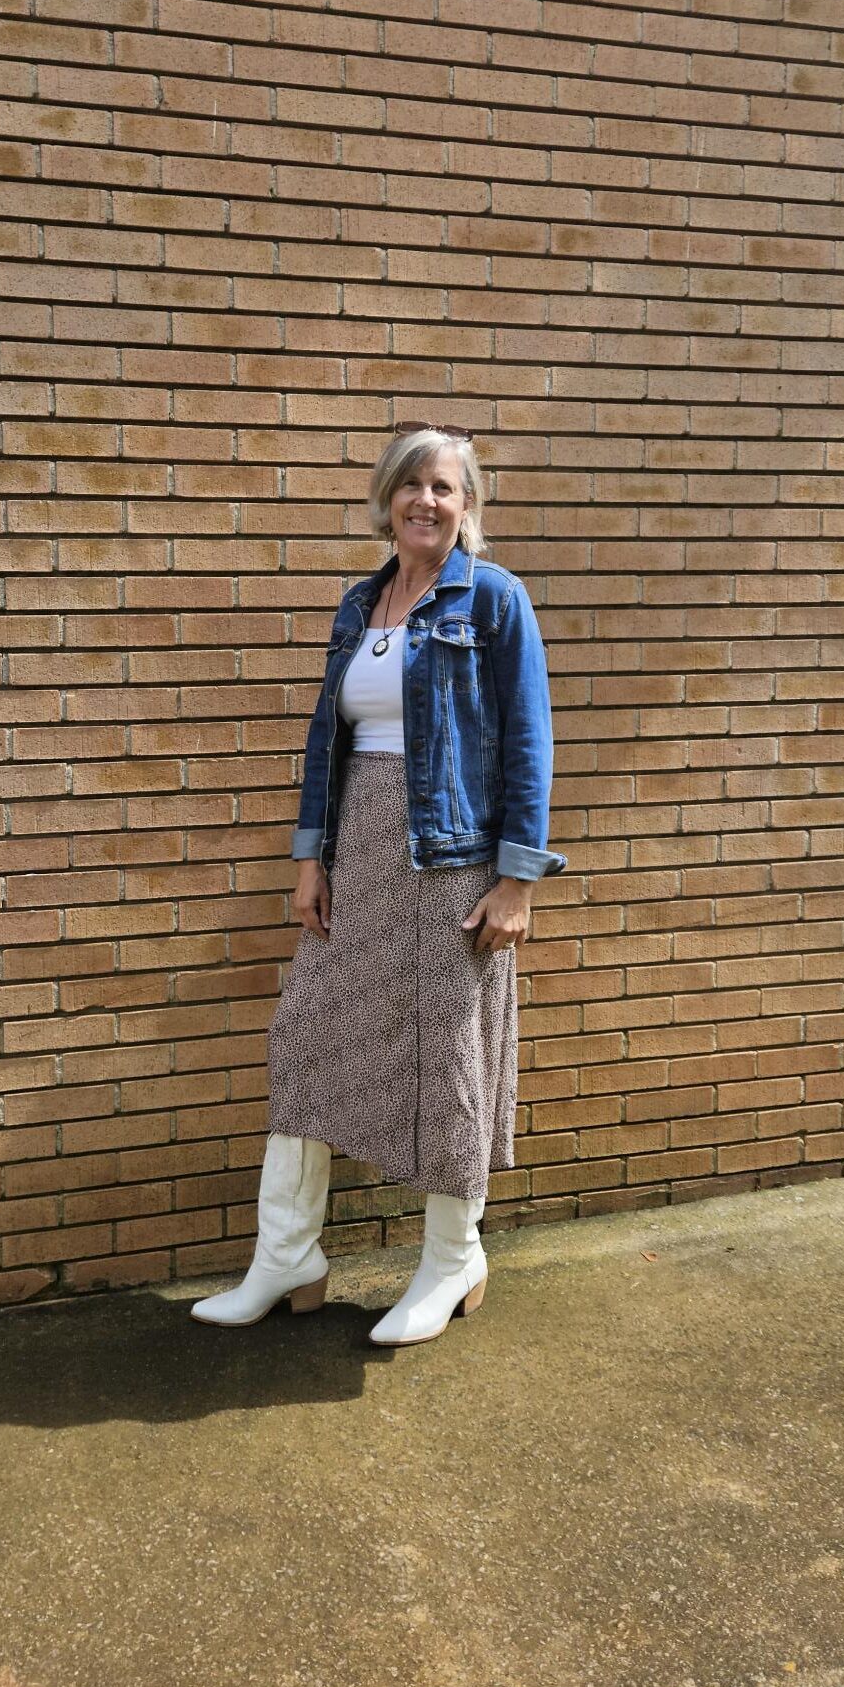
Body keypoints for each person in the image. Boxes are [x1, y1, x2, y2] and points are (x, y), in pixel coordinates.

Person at [191, 422, 565, 1346]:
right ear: (387, 500)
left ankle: (452, 1259)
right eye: (411, 485)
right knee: (305, 1036)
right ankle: (287, 1257)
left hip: (451, 861)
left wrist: (518, 882)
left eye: (444, 487)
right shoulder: (361, 603)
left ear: (467, 506)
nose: (425, 501)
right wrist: (309, 859)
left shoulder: (493, 598)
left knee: (447, 1053)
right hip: (357, 850)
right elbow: (328, 740)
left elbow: (530, 740)